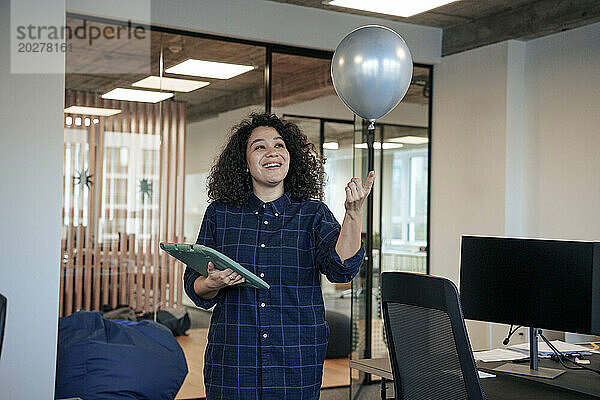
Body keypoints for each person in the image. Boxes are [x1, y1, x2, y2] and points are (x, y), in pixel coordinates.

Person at [184, 112, 374, 400]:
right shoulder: (220, 214)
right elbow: (194, 285)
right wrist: (212, 283)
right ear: (244, 163)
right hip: (234, 359)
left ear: (290, 156)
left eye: (279, 145)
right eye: (259, 146)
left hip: (295, 358)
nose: (272, 152)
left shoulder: (313, 214)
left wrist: (354, 214)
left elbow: (342, 269)